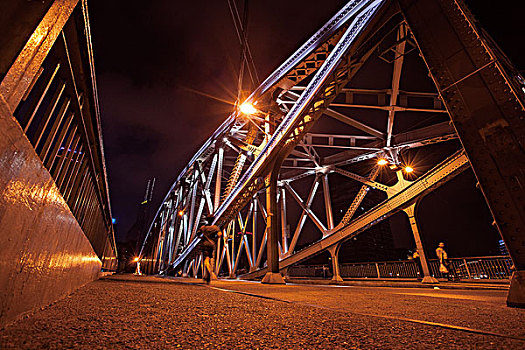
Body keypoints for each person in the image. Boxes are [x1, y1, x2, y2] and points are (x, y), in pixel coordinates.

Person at [198, 216, 222, 284]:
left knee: (206, 260)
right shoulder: (215, 227)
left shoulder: (203, 228)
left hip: (205, 244)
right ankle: (207, 277)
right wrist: (215, 238)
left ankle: (208, 270)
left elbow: (198, 235)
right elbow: (219, 234)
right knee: (210, 258)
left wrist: (203, 237)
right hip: (212, 244)